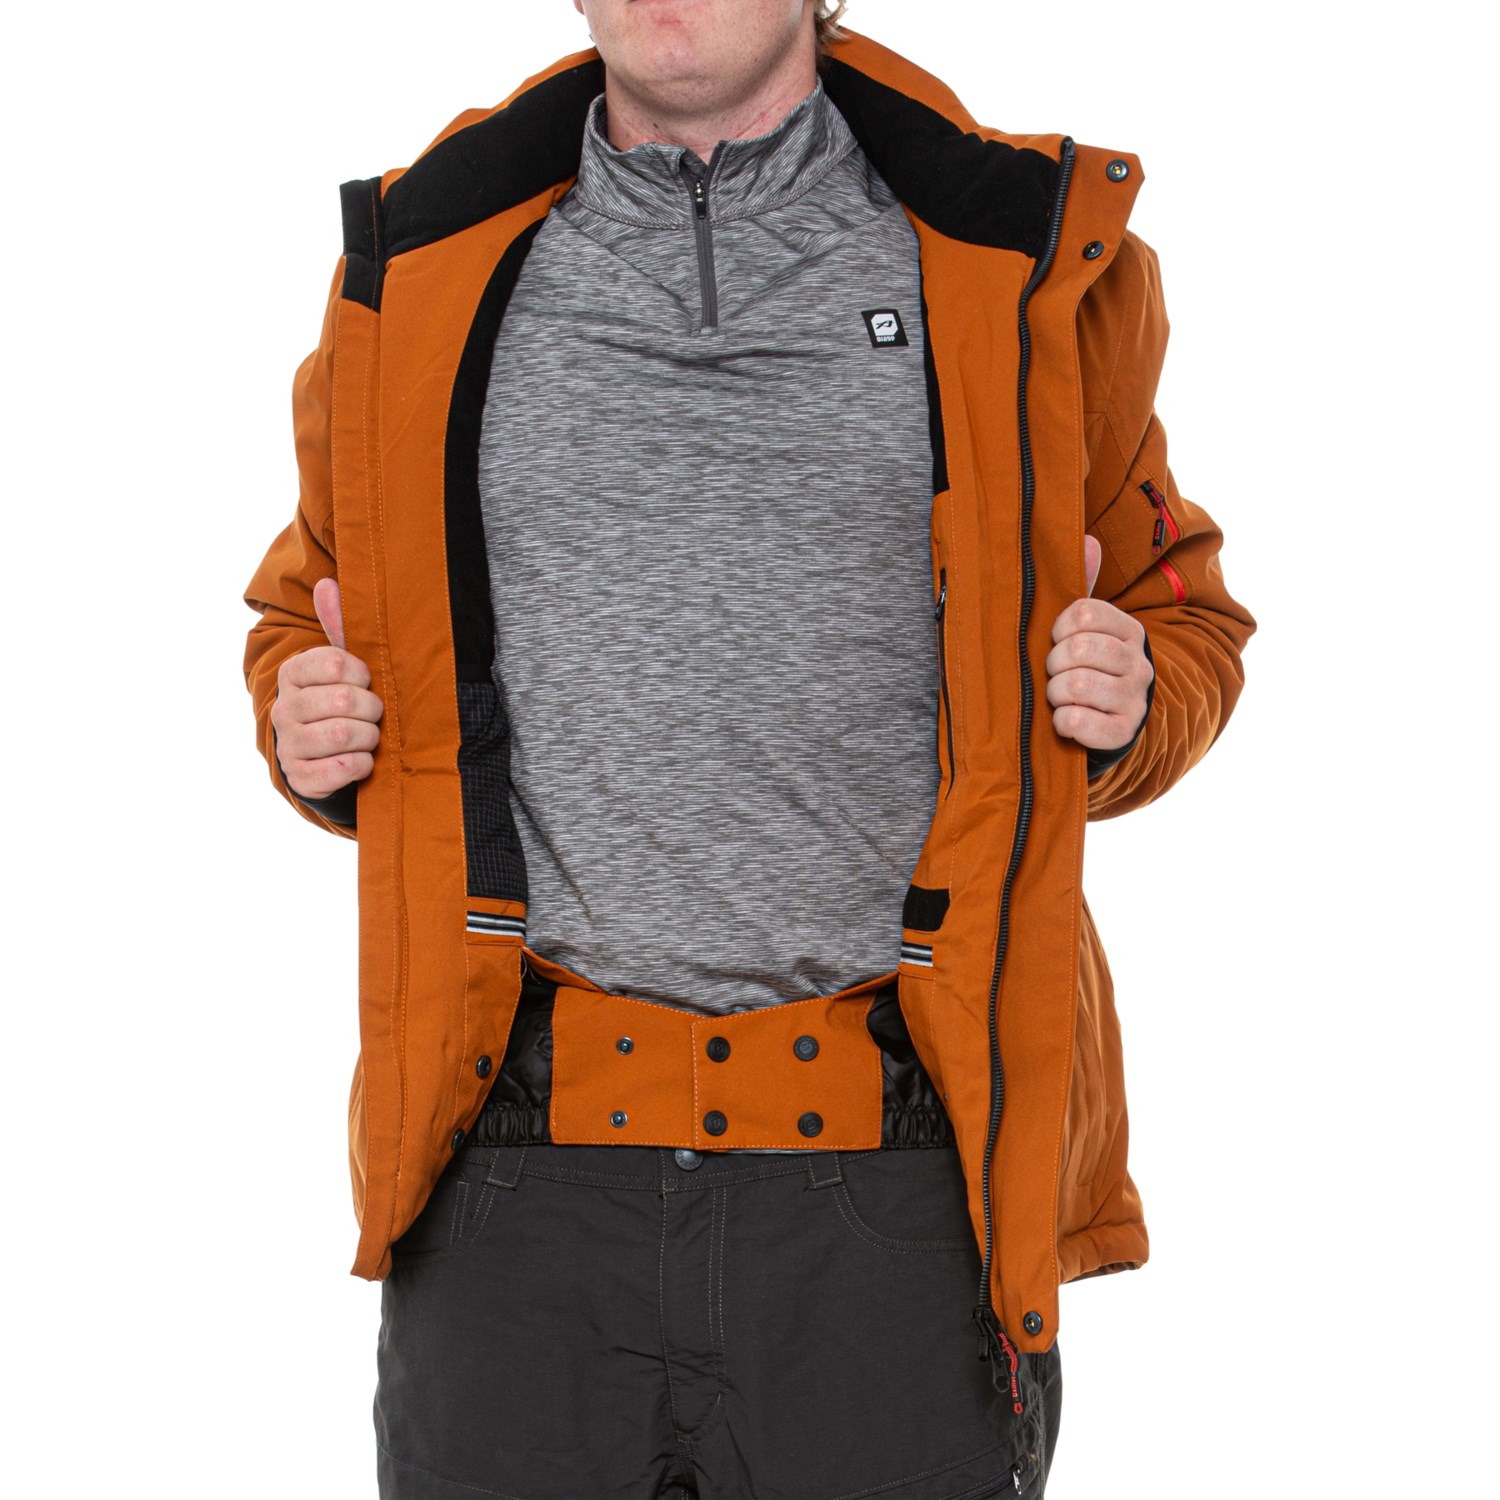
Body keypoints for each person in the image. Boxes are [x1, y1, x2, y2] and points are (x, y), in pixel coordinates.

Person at [243, 3, 1254, 1496]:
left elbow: (1180, 613)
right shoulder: (422, 266)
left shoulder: (1015, 262)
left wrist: (1132, 694)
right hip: (512, 1167)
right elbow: (302, 608)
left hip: (902, 1182)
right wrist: (308, 719)